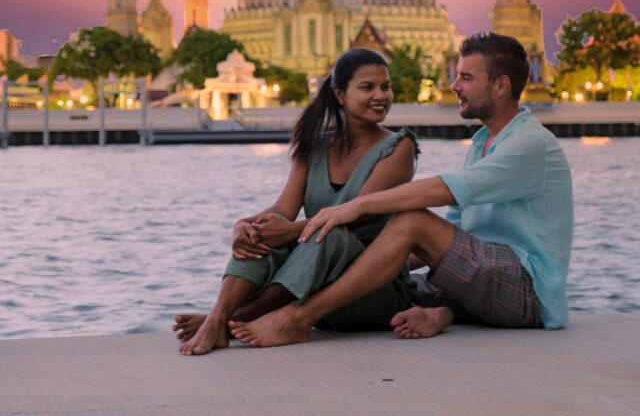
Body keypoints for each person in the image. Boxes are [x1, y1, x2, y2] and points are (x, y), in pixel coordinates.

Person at [230, 32, 574, 347]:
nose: (454, 85)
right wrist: (380, 257)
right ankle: (230, 318)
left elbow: (446, 191)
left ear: (500, 86)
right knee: (376, 281)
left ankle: (297, 318)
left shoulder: (529, 143)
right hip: (482, 279)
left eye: (466, 77)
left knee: (410, 221)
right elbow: (452, 232)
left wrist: (357, 207)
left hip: (528, 292)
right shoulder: (483, 142)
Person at [173, 47, 421, 355]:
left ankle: (227, 320)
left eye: (385, 87)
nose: (381, 95)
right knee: (264, 232)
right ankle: (221, 314)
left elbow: (358, 215)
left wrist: (290, 232)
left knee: (331, 235)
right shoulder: (314, 144)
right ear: (340, 94)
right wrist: (243, 227)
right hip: (316, 291)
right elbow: (284, 210)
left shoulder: (399, 147)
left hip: (371, 292)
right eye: (367, 87)